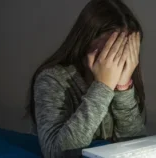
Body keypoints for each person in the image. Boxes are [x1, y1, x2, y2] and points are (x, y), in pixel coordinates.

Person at [26, 0, 147, 157]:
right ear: (86, 42)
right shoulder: (52, 79)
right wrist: (103, 86)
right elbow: (57, 152)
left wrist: (123, 88)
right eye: (112, 50)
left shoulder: (125, 80)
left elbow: (136, 146)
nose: (119, 60)